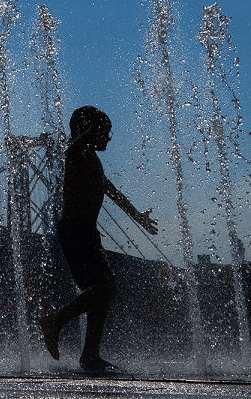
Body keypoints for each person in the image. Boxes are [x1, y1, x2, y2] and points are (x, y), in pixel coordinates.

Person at [38, 106, 158, 374]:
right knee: (106, 288)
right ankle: (55, 322)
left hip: (86, 233)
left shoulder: (90, 158)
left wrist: (138, 216)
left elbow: (112, 192)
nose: (110, 138)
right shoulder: (78, 154)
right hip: (75, 232)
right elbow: (72, 147)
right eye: (106, 131)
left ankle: (90, 356)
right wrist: (87, 131)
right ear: (90, 131)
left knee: (101, 292)